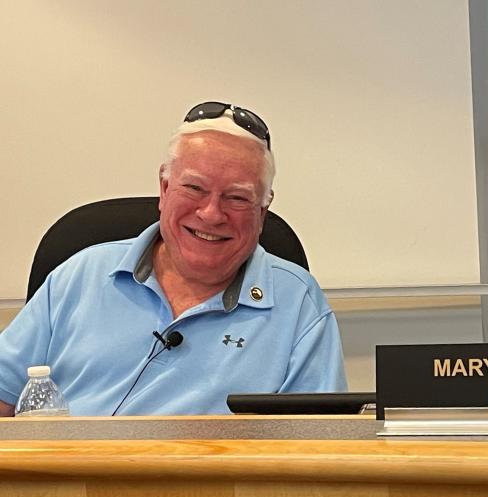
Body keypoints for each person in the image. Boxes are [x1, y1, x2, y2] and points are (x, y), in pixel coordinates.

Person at [0, 102, 346, 416]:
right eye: (194, 189)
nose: (211, 214)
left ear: (263, 211)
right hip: (69, 480)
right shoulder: (80, 275)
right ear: (164, 189)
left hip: (216, 483)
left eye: (237, 198)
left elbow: (318, 447)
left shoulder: (298, 303)